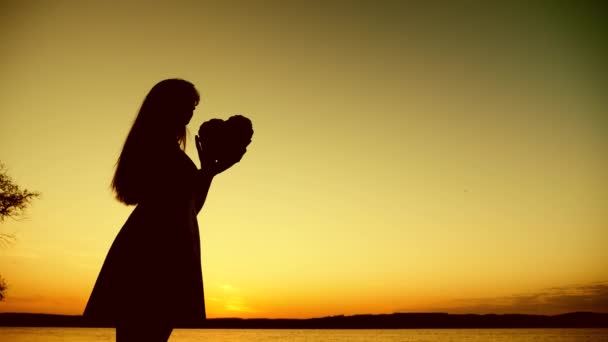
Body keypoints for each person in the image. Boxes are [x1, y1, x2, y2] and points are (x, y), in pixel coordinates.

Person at [84, 79, 243, 341]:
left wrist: (208, 173)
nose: (192, 111)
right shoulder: (156, 148)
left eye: (194, 106)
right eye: (187, 104)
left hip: (170, 246)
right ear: (167, 106)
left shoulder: (168, 148)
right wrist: (204, 174)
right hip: (154, 250)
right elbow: (173, 204)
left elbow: (190, 208)